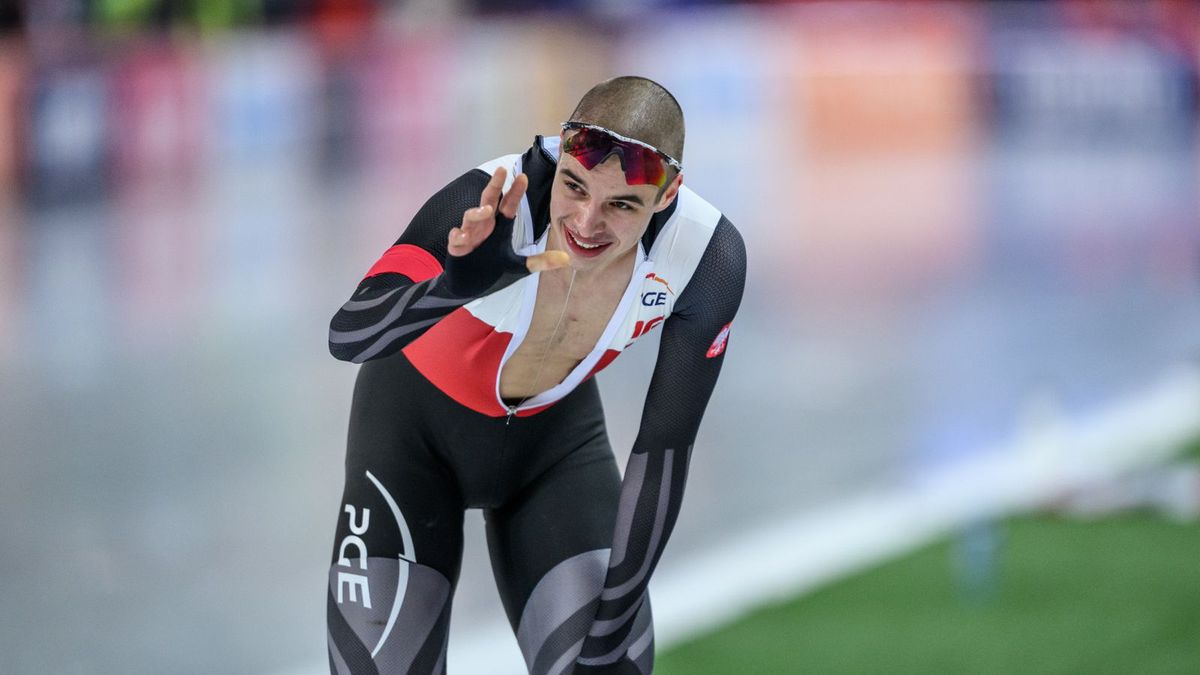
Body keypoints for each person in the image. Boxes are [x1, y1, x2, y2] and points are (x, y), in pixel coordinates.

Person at [325, 76, 746, 674]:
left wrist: (610, 631)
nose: (587, 222)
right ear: (559, 153)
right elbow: (348, 335)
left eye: (622, 204)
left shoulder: (706, 256)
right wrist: (453, 288)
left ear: (667, 194)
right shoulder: (492, 196)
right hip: (410, 442)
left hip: (552, 449)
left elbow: (664, 448)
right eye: (574, 186)